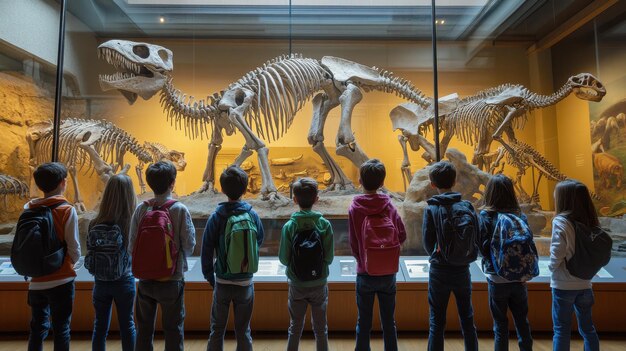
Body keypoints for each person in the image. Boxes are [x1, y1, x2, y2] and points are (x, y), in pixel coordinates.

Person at [130, 161, 196, 351]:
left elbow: (131, 245)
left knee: (143, 329)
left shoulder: (141, 209)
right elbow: (189, 245)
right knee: (173, 329)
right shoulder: (179, 209)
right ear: (172, 183)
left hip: (145, 280)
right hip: (171, 279)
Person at [202, 166, 264, 351]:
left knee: (217, 329)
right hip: (245, 282)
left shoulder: (216, 216)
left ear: (222, 189)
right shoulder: (252, 214)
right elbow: (259, 239)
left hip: (222, 279)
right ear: (245, 189)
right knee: (244, 330)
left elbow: (206, 248)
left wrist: (209, 276)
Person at [348, 159, 406, 351]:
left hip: (364, 272)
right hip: (388, 273)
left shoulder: (355, 208)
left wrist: (361, 260)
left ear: (360, 180)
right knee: (389, 322)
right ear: (382, 182)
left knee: (363, 323)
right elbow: (402, 234)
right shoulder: (389, 206)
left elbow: (353, 241)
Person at [422, 160, 479, 351]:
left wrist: (439, 255)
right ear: (455, 181)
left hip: (439, 269)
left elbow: (428, 243)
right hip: (463, 269)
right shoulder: (468, 207)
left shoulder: (431, 208)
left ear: (432, 184)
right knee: (467, 318)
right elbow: (476, 236)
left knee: (437, 321)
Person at [25, 162, 81, 351]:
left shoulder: (29, 209)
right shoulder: (67, 210)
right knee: (62, 328)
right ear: (63, 182)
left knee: (37, 328)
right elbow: (74, 248)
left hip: (36, 281)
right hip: (61, 280)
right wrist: (69, 263)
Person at [479, 174, 533, 351]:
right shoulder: (520, 216)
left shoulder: (486, 216)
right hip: (519, 278)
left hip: (496, 277)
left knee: (500, 325)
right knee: (522, 322)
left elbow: (483, 248)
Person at [279, 178, 334, 351]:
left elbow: (284, 259)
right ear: (317, 199)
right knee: (321, 329)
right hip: (319, 282)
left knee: (295, 327)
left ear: (294, 199)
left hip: (297, 283)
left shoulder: (289, 226)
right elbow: (329, 258)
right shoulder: (324, 225)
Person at [87, 174, 137, 351]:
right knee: (128, 325)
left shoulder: (94, 222)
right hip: (124, 280)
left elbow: (90, 249)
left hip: (100, 282)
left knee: (99, 328)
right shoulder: (131, 222)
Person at [550, 179, 601, 351]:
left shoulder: (560, 221)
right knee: (588, 328)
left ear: (564, 198)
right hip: (585, 284)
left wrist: (549, 267)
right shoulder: (590, 221)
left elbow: (558, 251)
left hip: (564, 284)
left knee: (561, 329)